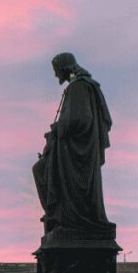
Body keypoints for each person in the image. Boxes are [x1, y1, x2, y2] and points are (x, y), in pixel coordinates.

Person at [32, 53, 114, 239]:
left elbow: (81, 119)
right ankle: (55, 215)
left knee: (40, 169)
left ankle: (58, 216)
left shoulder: (79, 87)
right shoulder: (80, 86)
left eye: (56, 71)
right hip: (72, 149)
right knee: (40, 169)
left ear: (64, 68)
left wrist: (57, 130)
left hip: (76, 153)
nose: (55, 75)